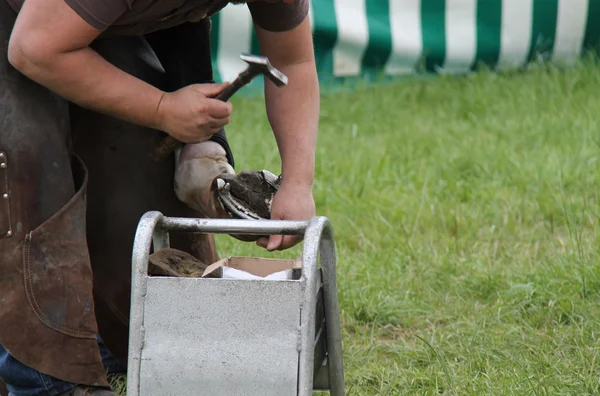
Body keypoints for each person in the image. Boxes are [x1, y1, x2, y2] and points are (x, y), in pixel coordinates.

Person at [0, 0, 319, 394]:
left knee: (139, 187)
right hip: (20, 29)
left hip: (94, 23)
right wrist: (163, 108)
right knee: (32, 171)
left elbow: (293, 62)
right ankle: (46, 380)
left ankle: (116, 341)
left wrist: (298, 183)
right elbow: (32, 46)